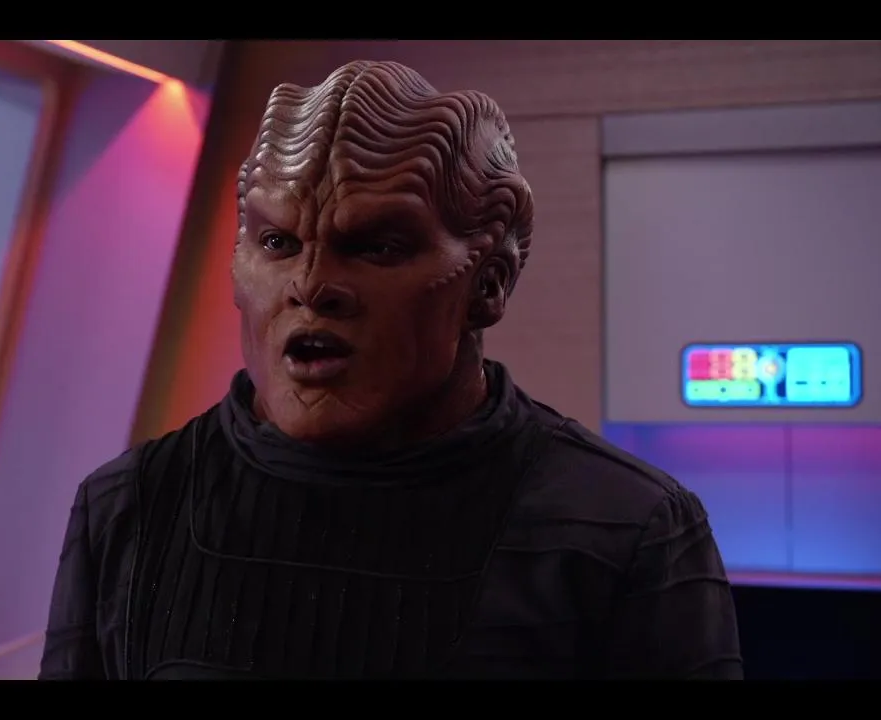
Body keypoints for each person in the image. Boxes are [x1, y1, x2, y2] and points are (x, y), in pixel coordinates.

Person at [38, 60, 743, 680]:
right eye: (278, 242)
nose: (311, 285)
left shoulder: (630, 529)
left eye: (376, 247)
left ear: (489, 282)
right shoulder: (127, 506)